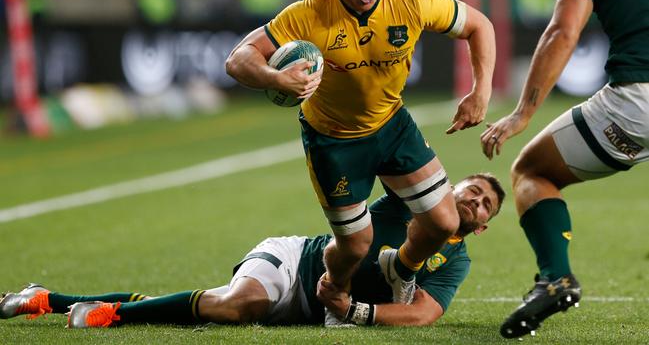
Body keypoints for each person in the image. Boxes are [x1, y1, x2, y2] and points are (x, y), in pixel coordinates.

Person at [225, 0, 496, 311]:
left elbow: (480, 25)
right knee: (354, 246)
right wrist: (274, 78)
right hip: (334, 140)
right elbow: (238, 58)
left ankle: (401, 268)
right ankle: (334, 288)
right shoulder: (312, 13)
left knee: (444, 222)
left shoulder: (412, 1)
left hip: (391, 124)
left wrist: (480, 90)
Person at [479, 0, 649, 339]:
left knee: (531, 172)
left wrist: (522, 112)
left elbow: (562, 32)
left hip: (636, 105)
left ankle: (555, 277)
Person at [0, 174, 504, 328]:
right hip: (293, 262)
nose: (475, 200)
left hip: (321, 309)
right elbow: (393, 159)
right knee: (238, 306)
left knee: (210, 306)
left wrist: (357, 310)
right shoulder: (407, 198)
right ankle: (108, 316)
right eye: (472, 189)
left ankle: (48, 298)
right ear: (449, 187)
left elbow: (422, 314)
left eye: (485, 205)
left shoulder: (455, 261)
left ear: (481, 227)